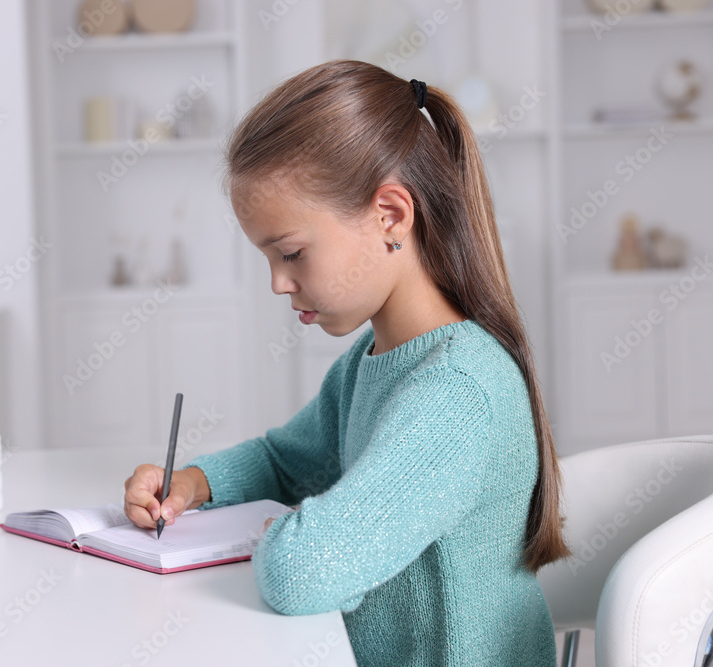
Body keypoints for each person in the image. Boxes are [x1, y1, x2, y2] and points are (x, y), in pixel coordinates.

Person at [122, 60, 571, 666]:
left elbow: (302, 572)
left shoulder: (457, 392)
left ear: (390, 216)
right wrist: (193, 484)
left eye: (291, 253)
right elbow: (287, 460)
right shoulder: (372, 360)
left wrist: (282, 535)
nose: (279, 283)